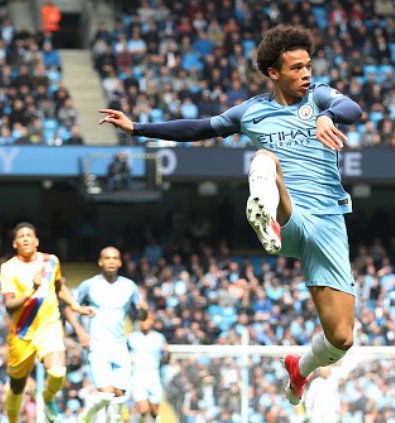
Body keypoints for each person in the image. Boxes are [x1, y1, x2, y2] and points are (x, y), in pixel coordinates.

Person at [98, 24, 362, 405]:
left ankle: (299, 368)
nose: (306, 74)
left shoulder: (320, 97)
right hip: (287, 214)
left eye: (308, 66)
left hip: (328, 224)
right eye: (296, 68)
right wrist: (137, 127)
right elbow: (198, 128)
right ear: (274, 73)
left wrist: (328, 116)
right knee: (265, 159)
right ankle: (266, 210)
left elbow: (351, 109)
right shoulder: (251, 112)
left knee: (341, 338)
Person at [0, 222, 94, 423]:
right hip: (22, 332)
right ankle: (12, 420)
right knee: (17, 385)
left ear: (36, 241)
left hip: (49, 326)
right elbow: (9, 306)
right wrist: (30, 291)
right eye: (21, 236)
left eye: (29, 235)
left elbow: (60, 287)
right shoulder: (8, 268)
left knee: (58, 372)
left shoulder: (51, 262)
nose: (25, 238)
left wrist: (76, 306)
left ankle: (48, 396)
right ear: (15, 243)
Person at [67, 246, 148, 423]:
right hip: (98, 345)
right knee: (106, 394)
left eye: (114, 258)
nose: (111, 261)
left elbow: (140, 315)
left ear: (119, 262)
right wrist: (80, 332)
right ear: (100, 262)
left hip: (120, 345)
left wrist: (144, 312)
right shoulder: (89, 285)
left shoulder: (129, 286)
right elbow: (69, 308)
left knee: (119, 396)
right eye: (107, 258)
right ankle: (85, 417)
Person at [128, 311, 168, 422]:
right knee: (143, 409)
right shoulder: (132, 337)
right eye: (142, 320)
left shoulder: (159, 338)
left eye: (147, 320)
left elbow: (166, 359)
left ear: (152, 321)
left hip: (154, 376)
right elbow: (124, 354)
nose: (145, 323)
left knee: (154, 410)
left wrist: (168, 353)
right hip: (138, 377)